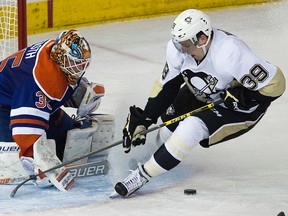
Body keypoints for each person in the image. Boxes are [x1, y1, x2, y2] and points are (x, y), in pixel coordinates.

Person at [113, 9, 286, 197]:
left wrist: (243, 96)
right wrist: (145, 119)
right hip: (204, 93)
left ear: (202, 39)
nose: (182, 51)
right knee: (167, 126)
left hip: (239, 109)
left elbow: (277, 84)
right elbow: (167, 88)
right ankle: (154, 155)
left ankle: (142, 176)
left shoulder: (231, 52)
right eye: (179, 45)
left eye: (186, 45)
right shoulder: (179, 49)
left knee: (191, 127)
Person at [0, 29, 105, 189]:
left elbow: (59, 86)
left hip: (18, 96)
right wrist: (36, 161)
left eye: (82, 65)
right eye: (75, 65)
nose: (78, 70)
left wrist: (80, 93)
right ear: (62, 58)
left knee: (65, 134)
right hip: (5, 107)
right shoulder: (38, 80)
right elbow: (26, 132)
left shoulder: (55, 52)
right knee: (28, 151)